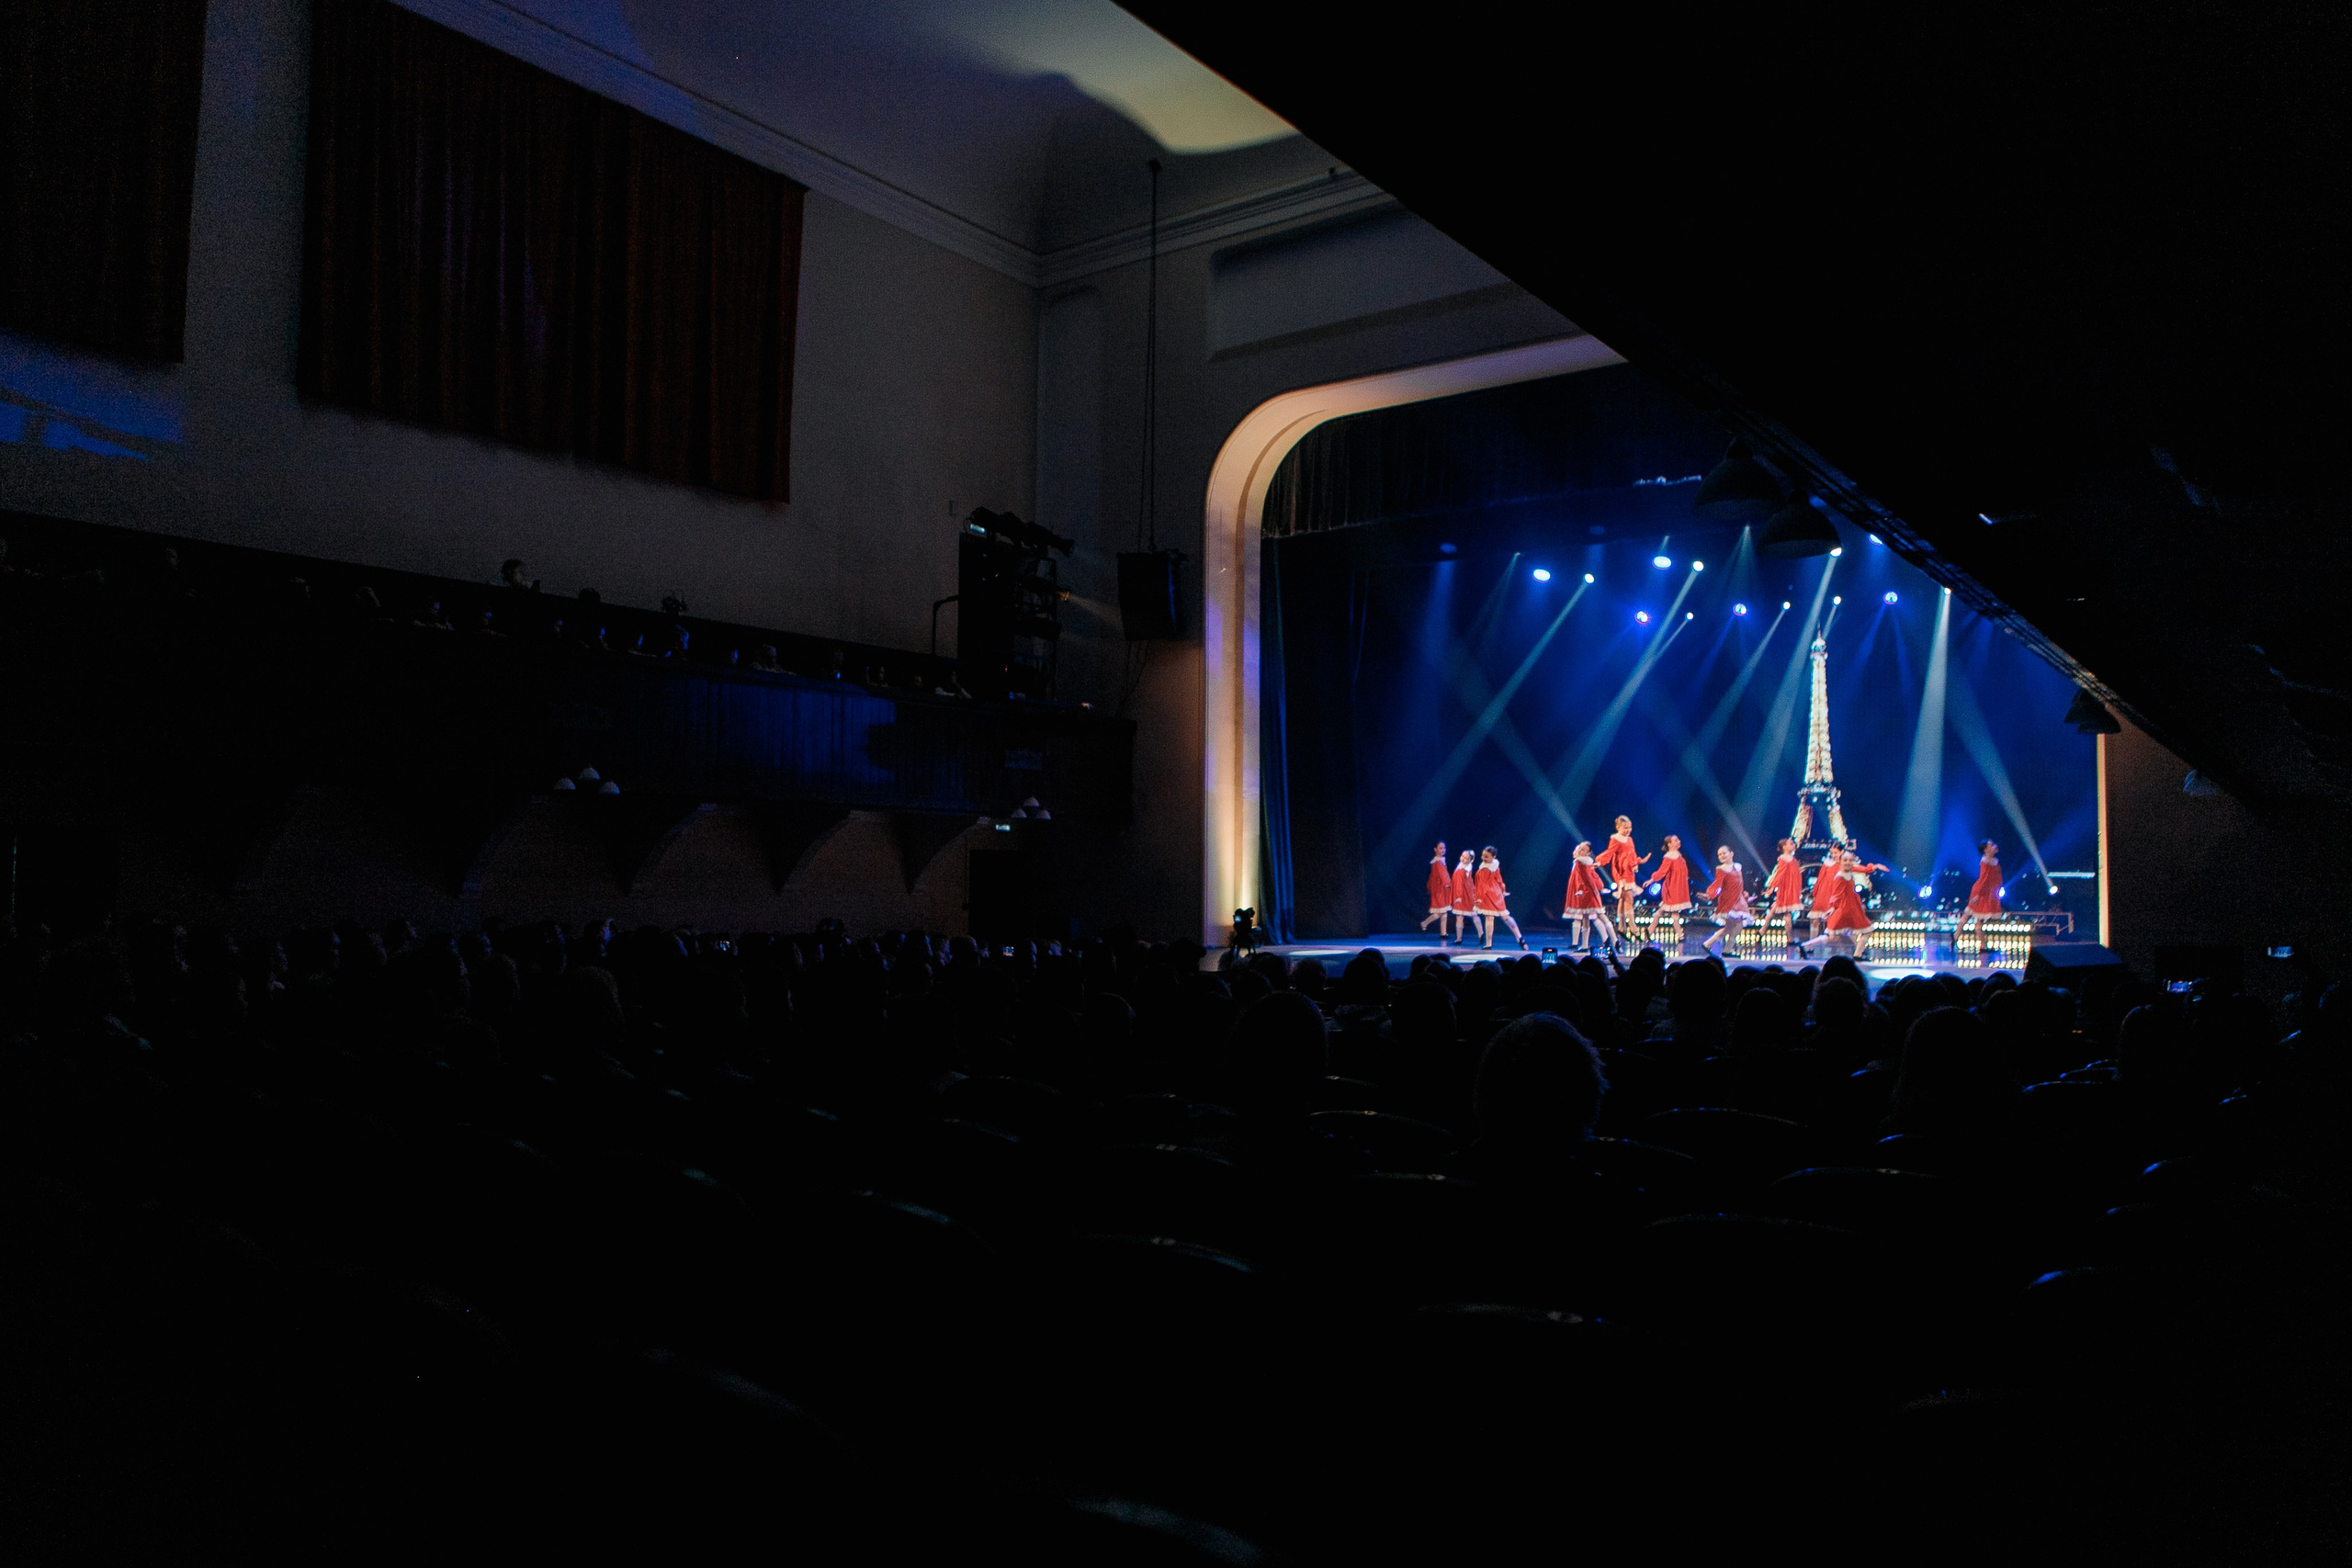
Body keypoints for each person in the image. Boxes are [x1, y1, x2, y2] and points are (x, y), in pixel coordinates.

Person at [1803, 849, 1891, 957]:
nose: (1848, 863)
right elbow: (1836, 895)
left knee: (1841, 935)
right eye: (1845, 860)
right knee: (1837, 936)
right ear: (1840, 861)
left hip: (1850, 907)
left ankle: (1858, 953)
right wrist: (1832, 908)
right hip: (1844, 909)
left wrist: (1875, 866)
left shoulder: (1848, 871)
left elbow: (1863, 869)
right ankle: (1858, 954)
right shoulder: (1840, 876)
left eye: (1850, 860)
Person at [1562, 842, 1617, 953]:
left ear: (1588, 853)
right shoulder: (1581, 862)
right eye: (1580, 849)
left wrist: (1596, 888)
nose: (1579, 851)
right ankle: (1585, 945)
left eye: (1583, 850)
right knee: (1586, 919)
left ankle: (1613, 940)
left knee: (1597, 916)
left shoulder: (1582, 863)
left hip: (1586, 892)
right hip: (1584, 892)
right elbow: (1591, 877)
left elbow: (1588, 878)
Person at [1599, 816, 1649, 934]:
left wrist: (1637, 862)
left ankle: (1621, 927)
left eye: (1629, 827)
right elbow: (1609, 853)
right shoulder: (1615, 839)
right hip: (1620, 871)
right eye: (1625, 828)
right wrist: (1600, 862)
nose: (1628, 830)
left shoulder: (1630, 839)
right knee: (1629, 899)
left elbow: (1632, 854)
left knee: (1623, 899)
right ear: (1618, 828)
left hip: (1629, 871)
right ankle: (1633, 928)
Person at [1474, 847, 1527, 951]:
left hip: (1488, 894)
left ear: (1493, 857)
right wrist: (1502, 890)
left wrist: (1479, 897)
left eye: (1486, 856)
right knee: (1504, 916)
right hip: (1496, 893)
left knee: (1490, 917)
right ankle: (1519, 937)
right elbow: (1499, 880)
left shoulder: (1485, 869)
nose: (1483, 858)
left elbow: (1483, 885)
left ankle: (1488, 944)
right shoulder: (1494, 865)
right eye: (1483, 855)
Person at [1645, 834, 1692, 944]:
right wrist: (1651, 880)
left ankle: (1649, 930)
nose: (1678, 841)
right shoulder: (1669, 857)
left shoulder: (1679, 856)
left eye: (1678, 839)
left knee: (1662, 910)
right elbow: (1661, 872)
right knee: (1674, 912)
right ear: (1669, 844)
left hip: (1679, 887)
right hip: (1672, 888)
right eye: (1675, 840)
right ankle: (1680, 935)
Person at [1957, 840, 2004, 951]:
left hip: (1987, 892)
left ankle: (1982, 945)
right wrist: (1978, 894)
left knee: (1978, 919)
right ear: (1986, 850)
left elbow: (1996, 879)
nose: (1995, 846)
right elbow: (1983, 879)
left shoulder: (1994, 861)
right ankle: (1956, 936)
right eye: (1991, 845)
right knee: (1969, 914)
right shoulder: (1985, 862)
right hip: (1981, 892)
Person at [1701, 846, 1747, 956]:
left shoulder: (1738, 867)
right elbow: (1717, 885)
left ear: (1731, 853)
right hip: (1728, 901)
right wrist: (1709, 895)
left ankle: (1710, 944)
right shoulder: (1722, 869)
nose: (1721, 856)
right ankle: (1725, 949)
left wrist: (1744, 894)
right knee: (1737, 925)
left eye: (1724, 853)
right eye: (1719, 854)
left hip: (1738, 900)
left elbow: (1739, 883)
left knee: (1730, 927)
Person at [1766, 838, 1804, 950]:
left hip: (1791, 889)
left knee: (1781, 912)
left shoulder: (1792, 859)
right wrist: (1772, 888)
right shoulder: (1783, 859)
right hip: (1786, 890)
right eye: (1791, 844)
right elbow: (1780, 874)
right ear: (1784, 847)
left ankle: (1762, 931)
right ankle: (1790, 939)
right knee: (1786, 914)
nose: (1793, 845)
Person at [1806, 840, 1847, 942]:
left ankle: (1859, 949)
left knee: (1844, 924)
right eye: (1832, 853)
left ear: (1841, 852)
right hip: (1823, 894)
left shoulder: (1845, 864)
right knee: (1815, 921)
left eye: (1835, 853)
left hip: (1836, 895)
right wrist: (1815, 893)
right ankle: (1810, 945)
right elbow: (1820, 878)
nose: (1833, 855)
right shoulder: (1827, 863)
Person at [1420, 842, 1454, 941]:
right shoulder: (1438, 862)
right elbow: (1443, 875)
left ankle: (1443, 933)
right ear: (1435, 849)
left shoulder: (1439, 861)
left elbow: (1434, 876)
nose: (1443, 850)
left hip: (1441, 888)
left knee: (1444, 911)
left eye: (1444, 848)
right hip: (1440, 889)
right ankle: (1425, 923)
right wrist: (1448, 884)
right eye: (1440, 848)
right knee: (1441, 911)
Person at [1449, 850, 1477, 938]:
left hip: (1464, 895)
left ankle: (1481, 934)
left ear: (1471, 860)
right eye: (1462, 856)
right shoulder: (1461, 868)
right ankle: (1459, 938)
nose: (1463, 859)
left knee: (1471, 914)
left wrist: (1459, 896)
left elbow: (1461, 884)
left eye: (1466, 858)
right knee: (1462, 916)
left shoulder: (1463, 870)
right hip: (1463, 894)